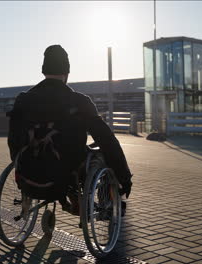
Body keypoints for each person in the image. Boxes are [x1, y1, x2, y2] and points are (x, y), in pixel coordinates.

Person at [8, 44, 132, 214]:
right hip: (66, 174)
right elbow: (106, 138)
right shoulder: (79, 101)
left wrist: (18, 161)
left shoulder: (23, 100)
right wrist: (124, 177)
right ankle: (108, 203)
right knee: (102, 154)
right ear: (66, 73)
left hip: (28, 172)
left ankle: (72, 199)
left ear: (44, 71)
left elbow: (13, 138)